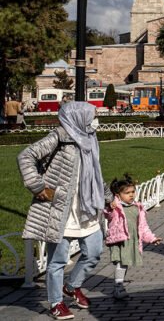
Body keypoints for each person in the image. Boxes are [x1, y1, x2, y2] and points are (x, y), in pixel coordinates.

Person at [18, 102, 113, 320]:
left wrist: (108, 198)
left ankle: (72, 286)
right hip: (61, 210)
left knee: (94, 252)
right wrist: (38, 186)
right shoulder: (59, 137)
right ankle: (55, 302)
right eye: (92, 116)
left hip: (86, 209)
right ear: (79, 117)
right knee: (58, 261)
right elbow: (26, 156)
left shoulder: (90, 139)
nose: (95, 120)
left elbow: (95, 175)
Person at [104, 174, 162, 300]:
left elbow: (143, 227)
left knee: (125, 263)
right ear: (118, 195)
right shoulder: (115, 208)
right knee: (122, 263)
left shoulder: (137, 207)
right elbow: (107, 214)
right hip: (119, 240)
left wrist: (152, 238)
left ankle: (119, 286)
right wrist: (110, 205)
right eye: (127, 193)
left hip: (131, 240)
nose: (131, 195)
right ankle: (118, 286)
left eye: (133, 192)